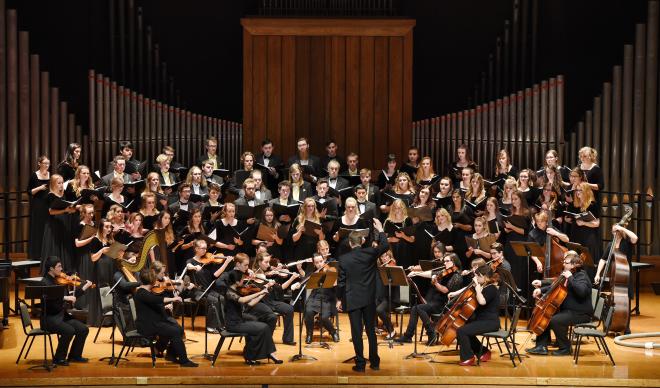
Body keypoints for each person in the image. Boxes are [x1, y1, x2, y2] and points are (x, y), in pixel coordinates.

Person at [336, 219, 389, 372]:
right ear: (362, 240)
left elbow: (341, 283)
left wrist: (339, 299)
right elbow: (385, 245)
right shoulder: (370, 253)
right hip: (368, 299)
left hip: (352, 299)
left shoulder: (344, 259)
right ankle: (375, 362)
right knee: (371, 331)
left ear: (350, 244)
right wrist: (380, 229)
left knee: (356, 332)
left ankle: (360, 364)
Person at [526, 251, 593, 356]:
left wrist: (570, 277)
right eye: (564, 262)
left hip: (580, 313)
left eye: (566, 263)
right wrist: (541, 290)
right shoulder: (569, 274)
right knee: (546, 317)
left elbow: (582, 292)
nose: (563, 264)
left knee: (555, 320)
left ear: (573, 265)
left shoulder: (581, 276)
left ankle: (565, 348)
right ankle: (541, 346)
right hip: (569, 310)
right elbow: (556, 286)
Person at [133, 267, 198, 367]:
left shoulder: (146, 291)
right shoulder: (141, 292)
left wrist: (166, 305)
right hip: (147, 325)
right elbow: (155, 300)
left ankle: (170, 355)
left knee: (179, 329)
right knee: (174, 331)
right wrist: (173, 298)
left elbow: (152, 303)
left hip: (154, 321)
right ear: (152, 280)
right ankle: (184, 361)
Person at [397, 251, 463, 345]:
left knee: (419, 308)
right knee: (415, 308)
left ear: (454, 262)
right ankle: (408, 336)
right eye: (444, 261)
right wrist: (416, 273)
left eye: (447, 261)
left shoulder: (457, 276)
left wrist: (436, 283)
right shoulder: (445, 271)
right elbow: (431, 273)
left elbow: (445, 290)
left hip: (444, 304)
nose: (444, 263)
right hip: (436, 301)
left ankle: (431, 332)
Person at [40, 256, 92, 365]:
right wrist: (64, 298)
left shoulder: (57, 281)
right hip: (49, 318)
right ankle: (58, 358)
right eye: (59, 266)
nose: (61, 269)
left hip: (61, 316)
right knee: (69, 330)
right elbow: (49, 299)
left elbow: (70, 296)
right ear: (51, 269)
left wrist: (84, 287)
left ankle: (74, 356)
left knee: (83, 329)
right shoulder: (45, 282)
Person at [224, 269, 283, 365]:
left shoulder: (237, 290)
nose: (244, 282)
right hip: (233, 324)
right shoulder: (229, 293)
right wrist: (259, 293)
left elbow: (250, 303)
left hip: (240, 321)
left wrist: (262, 294)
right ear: (237, 282)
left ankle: (255, 356)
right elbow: (242, 300)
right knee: (263, 327)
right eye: (242, 280)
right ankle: (266, 354)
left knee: (263, 327)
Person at [448, 264, 500, 366]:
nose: (475, 278)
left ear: (484, 276)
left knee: (462, 331)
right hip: (482, 320)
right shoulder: (483, 286)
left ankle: (468, 358)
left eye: (477, 276)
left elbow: (482, 302)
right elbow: (467, 289)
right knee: (460, 328)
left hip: (490, 322)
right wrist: (454, 294)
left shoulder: (491, 288)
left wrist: (477, 289)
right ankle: (483, 352)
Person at [186, 239, 234, 333]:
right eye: (203, 248)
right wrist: (195, 267)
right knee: (214, 301)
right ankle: (210, 327)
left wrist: (226, 263)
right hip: (196, 291)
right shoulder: (191, 261)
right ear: (196, 249)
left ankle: (222, 325)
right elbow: (188, 266)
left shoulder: (209, 261)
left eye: (206, 248)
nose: (205, 250)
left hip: (208, 290)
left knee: (222, 298)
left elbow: (215, 275)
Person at [252, 251, 299, 345]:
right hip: (260, 302)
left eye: (268, 262)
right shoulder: (254, 274)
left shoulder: (267, 274)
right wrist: (266, 282)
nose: (268, 265)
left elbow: (281, 288)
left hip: (271, 301)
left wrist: (292, 278)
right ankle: (267, 339)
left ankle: (287, 339)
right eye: (266, 262)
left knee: (289, 309)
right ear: (259, 262)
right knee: (271, 316)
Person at [303, 252, 340, 344]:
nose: (319, 264)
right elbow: (306, 283)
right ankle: (309, 334)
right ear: (314, 264)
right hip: (315, 297)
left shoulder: (331, 270)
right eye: (317, 262)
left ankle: (333, 331)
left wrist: (339, 299)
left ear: (324, 260)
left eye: (321, 261)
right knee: (308, 312)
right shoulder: (313, 273)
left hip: (328, 298)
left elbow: (338, 287)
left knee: (323, 317)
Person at [28, 155, 51, 260]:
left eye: (48, 163)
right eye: (45, 163)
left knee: (48, 228)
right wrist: (40, 188)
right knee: (38, 228)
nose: (47, 165)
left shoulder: (51, 175)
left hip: (48, 204)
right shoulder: (34, 175)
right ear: (39, 164)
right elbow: (29, 191)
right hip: (38, 204)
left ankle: (47, 253)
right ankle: (36, 255)